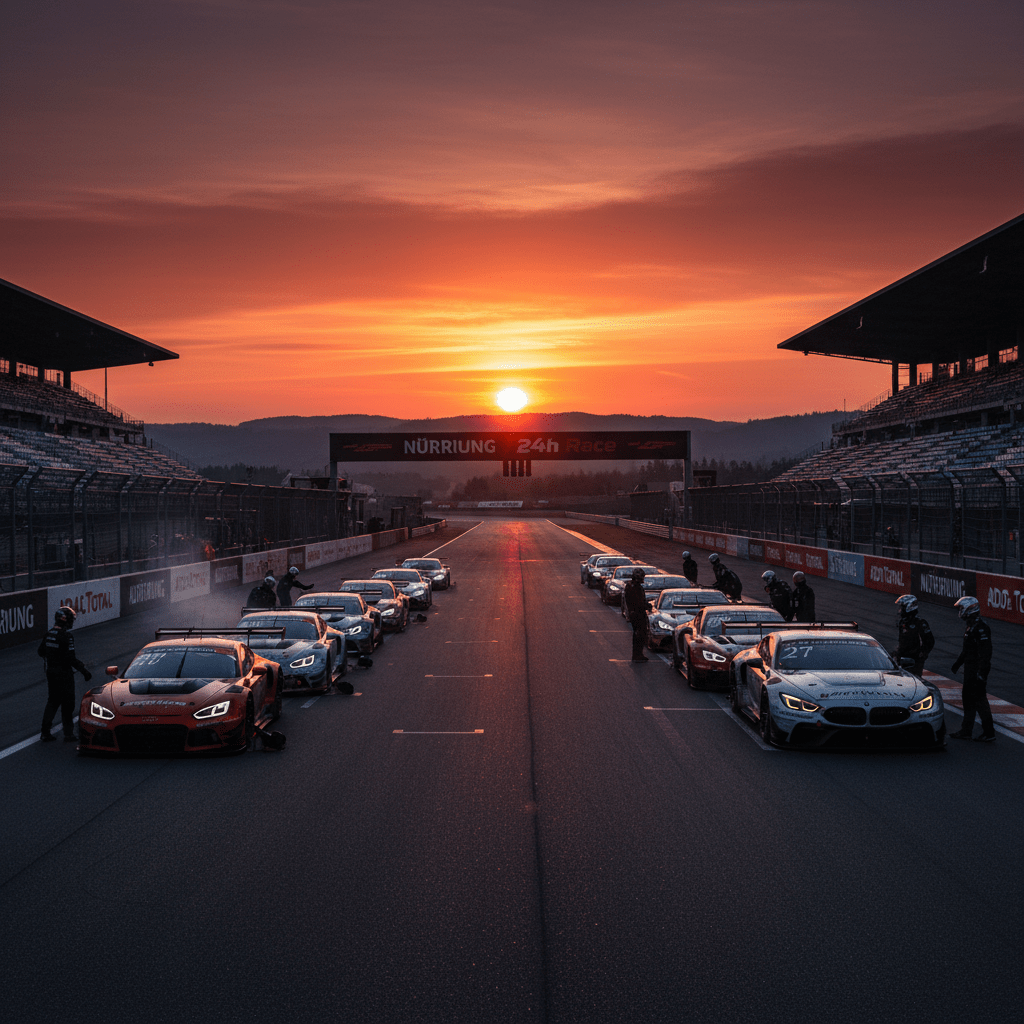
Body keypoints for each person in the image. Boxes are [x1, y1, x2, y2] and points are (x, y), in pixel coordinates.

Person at [38, 606, 91, 743]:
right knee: (68, 704)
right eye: (71, 620)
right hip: (64, 674)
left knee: (53, 702)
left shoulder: (49, 633)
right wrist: (84, 671)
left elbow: (40, 652)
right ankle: (69, 734)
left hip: (51, 672)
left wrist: (52, 656)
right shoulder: (66, 636)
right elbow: (70, 658)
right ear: (65, 620)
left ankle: (45, 732)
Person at [949, 596, 995, 742]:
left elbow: (985, 654)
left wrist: (982, 675)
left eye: (962, 609)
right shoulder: (970, 626)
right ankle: (966, 731)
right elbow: (967, 650)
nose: (960, 612)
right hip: (969, 671)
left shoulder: (981, 628)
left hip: (976, 672)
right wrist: (958, 663)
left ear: (970, 609)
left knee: (980, 702)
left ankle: (989, 732)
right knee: (968, 700)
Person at [893, 594, 934, 678]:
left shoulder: (920, 623)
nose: (900, 610)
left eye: (902, 608)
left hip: (914, 662)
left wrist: (921, 656)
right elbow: (902, 642)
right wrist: (897, 653)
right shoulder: (902, 623)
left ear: (909, 607)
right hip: (902, 659)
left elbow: (930, 642)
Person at [623, 567, 652, 663]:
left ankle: (638, 654)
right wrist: (647, 606)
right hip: (637, 614)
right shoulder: (634, 588)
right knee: (640, 634)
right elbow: (638, 602)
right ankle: (637, 655)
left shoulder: (630, 586)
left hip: (634, 613)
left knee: (638, 634)